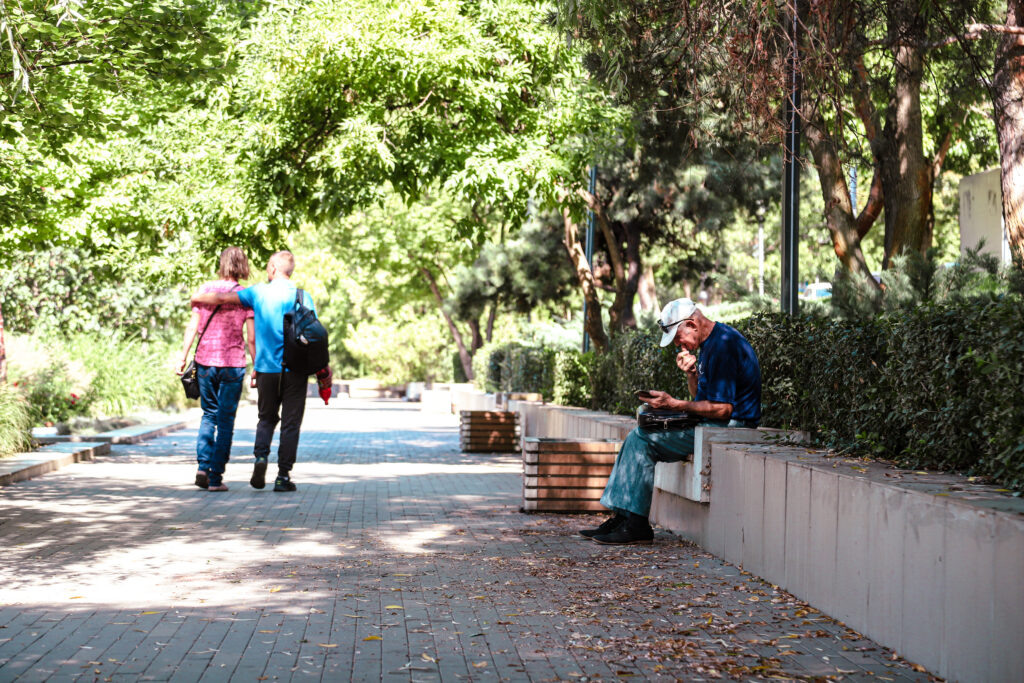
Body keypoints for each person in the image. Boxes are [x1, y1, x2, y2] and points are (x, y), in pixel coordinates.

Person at [581, 297, 761, 545]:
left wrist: (674, 405)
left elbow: (723, 410)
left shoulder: (723, 345)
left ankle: (635, 524)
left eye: (678, 337)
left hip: (733, 426)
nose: (679, 345)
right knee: (640, 433)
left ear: (691, 324)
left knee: (642, 440)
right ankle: (623, 517)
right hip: (715, 424)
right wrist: (691, 374)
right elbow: (701, 400)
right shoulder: (710, 344)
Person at [191, 250, 327, 492]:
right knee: (291, 424)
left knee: (266, 419)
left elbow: (223, 299)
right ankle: (283, 476)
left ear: (274, 268)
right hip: (295, 371)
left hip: (266, 369)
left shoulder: (257, 292)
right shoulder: (303, 296)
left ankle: (260, 458)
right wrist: (323, 371)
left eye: (267, 266)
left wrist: (198, 297)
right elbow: (314, 336)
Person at [178, 247, 255, 492]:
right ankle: (215, 478)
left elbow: (192, 327)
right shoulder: (246, 295)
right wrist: (258, 366)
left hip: (204, 361)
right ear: (242, 266)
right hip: (232, 363)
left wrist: (182, 357)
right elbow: (251, 338)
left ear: (221, 264)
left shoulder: (204, 291)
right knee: (226, 420)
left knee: (208, 415)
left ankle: (203, 466)